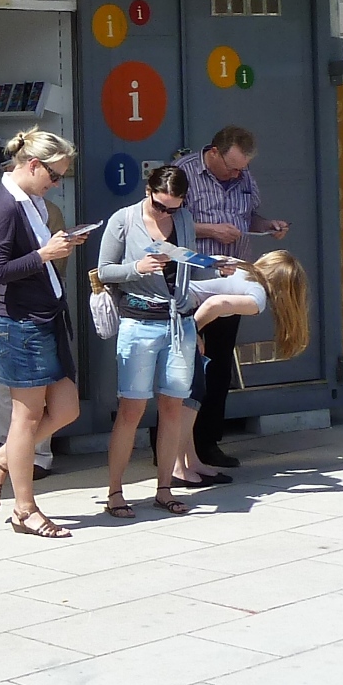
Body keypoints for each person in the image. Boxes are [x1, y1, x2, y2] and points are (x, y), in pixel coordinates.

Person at [0, 130, 87, 537]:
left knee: (67, 407)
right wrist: (44, 254)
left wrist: (57, 246)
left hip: (46, 316)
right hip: (21, 322)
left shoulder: (32, 200)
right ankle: (25, 508)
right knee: (26, 416)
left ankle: (2, 457)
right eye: (55, 175)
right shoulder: (3, 206)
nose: (57, 184)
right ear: (33, 164)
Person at [179, 126, 289, 470]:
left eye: (242, 168)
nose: (237, 174)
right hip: (193, 279)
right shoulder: (183, 174)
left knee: (219, 364)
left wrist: (267, 224)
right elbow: (164, 224)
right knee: (184, 366)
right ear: (213, 153)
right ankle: (171, 446)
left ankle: (207, 442)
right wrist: (211, 229)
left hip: (234, 278)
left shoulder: (244, 176)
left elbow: (248, 216)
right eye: (231, 167)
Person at [96, 164, 202, 518]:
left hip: (179, 323)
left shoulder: (184, 219)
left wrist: (217, 266)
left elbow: (186, 264)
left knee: (173, 407)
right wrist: (137, 269)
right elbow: (104, 270)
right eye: (160, 206)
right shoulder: (124, 220)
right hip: (139, 322)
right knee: (132, 409)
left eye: (174, 207)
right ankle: (114, 491)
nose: (167, 213)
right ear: (147, 192)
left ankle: (164, 488)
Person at [0, 183, 73, 479]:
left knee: (37, 391)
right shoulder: (0, 206)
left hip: (33, 311)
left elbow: (57, 265)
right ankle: (8, 451)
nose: (54, 182)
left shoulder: (49, 212)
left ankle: (32, 454)